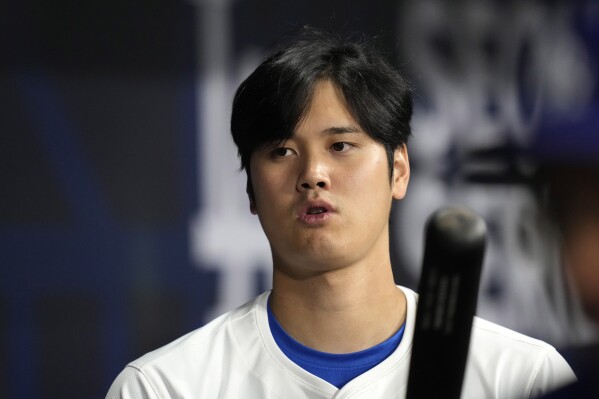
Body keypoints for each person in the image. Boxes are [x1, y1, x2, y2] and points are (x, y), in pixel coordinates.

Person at [106, 27, 575, 398]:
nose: (314, 174)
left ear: (399, 169)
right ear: (250, 190)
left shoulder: (524, 377)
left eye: (342, 145)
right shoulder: (165, 388)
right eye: (282, 152)